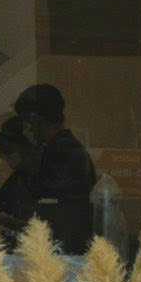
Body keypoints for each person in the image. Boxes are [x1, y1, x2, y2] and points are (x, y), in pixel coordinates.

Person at [14, 83, 97, 255]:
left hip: (63, 253)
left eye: (27, 121)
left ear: (36, 119)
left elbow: (52, 209)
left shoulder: (61, 152)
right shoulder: (69, 149)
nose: (27, 128)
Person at [0, 116, 39, 250]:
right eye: (3, 155)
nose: (5, 160)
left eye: (9, 153)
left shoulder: (42, 175)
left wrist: (10, 222)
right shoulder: (19, 177)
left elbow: (48, 226)